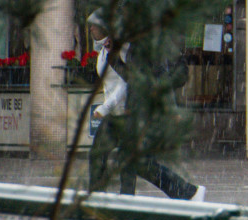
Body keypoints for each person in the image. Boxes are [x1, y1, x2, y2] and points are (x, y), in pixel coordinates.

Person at [86, 11, 205, 201]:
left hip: (138, 111)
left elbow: (143, 80)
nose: (91, 29)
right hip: (127, 112)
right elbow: (131, 78)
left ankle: (186, 191)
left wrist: (168, 108)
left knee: (135, 161)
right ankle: (106, 196)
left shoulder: (139, 48)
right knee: (114, 155)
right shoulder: (121, 50)